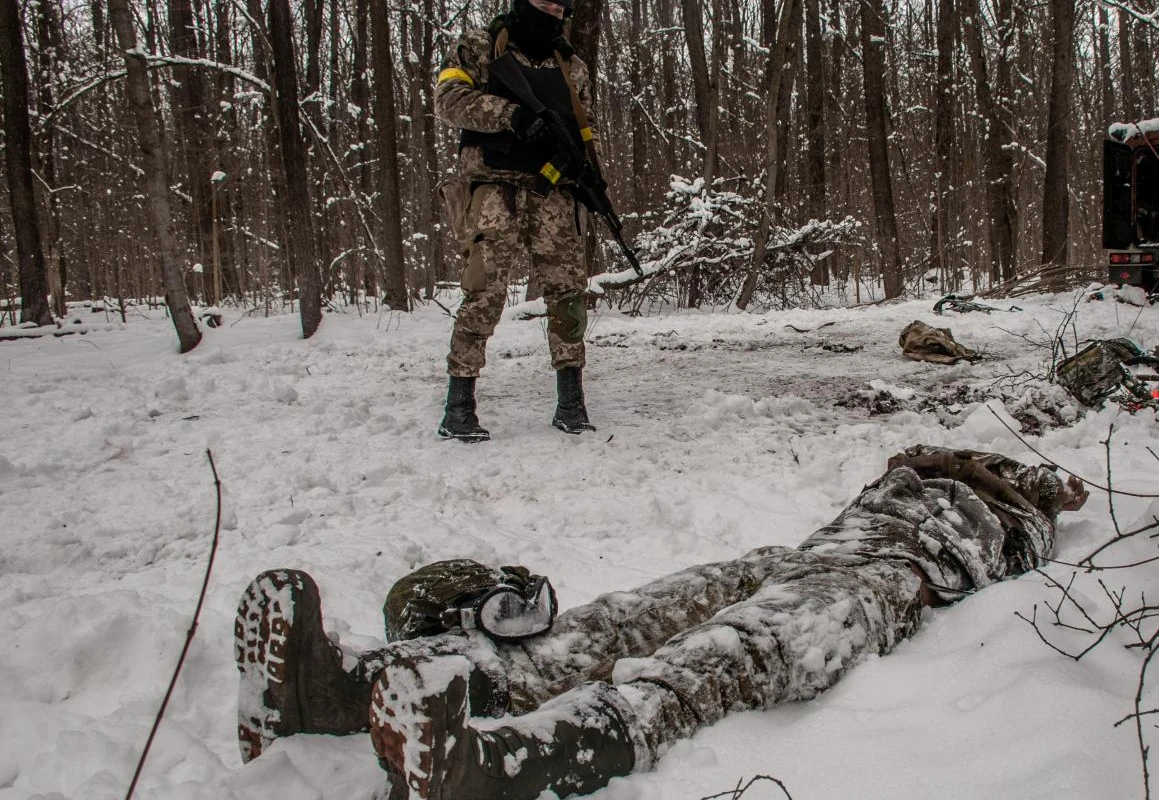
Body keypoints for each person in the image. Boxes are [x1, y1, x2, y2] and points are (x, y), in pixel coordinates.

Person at [234, 446, 1087, 799]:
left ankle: (503, 766)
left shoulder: (1028, 511)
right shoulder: (923, 466)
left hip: (888, 578)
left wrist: (1021, 486)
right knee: (626, 619)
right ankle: (346, 691)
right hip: (805, 551)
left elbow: (1056, 497)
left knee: (732, 654)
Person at [434, 0, 599, 442]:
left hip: (551, 192)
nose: (550, 9)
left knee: (568, 291)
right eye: (541, 1)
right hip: (493, 187)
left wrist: (580, 168)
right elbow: (448, 101)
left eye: (558, 4)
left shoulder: (571, 66)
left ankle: (571, 403)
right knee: (483, 291)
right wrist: (513, 117)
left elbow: (586, 126)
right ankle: (459, 407)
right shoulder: (479, 46)